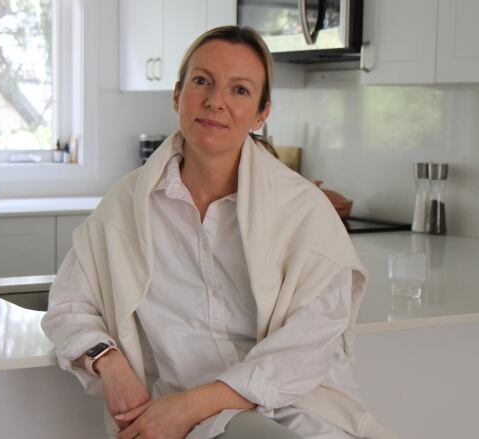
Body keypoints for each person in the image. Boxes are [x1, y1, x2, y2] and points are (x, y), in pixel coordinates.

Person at [41, 26, 395, 439]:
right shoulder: (126, 205)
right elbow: (68, 307)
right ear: (177, 95)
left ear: (262, 114)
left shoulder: (301, 211)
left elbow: (309, 343)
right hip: (179, 420)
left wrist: (191, 406)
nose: (215, 101)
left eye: (240, 90)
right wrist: (109, 362)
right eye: (202, 81)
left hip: (298, 410)